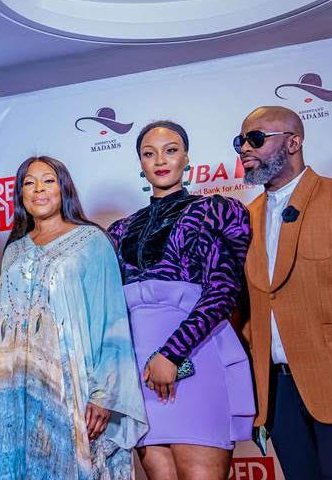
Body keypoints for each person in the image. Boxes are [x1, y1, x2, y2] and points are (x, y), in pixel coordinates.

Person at [108, 121, 255, 480]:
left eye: (171, 150)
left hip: (197, 358)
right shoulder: (119, 231)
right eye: (149, 153)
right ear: (140, 163)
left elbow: (223, 291)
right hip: (140, 373)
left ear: (187, 157)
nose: (160, 160)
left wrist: (171, 354)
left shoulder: (217, 211)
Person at [0, 156, 148, 480]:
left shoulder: (91, 242)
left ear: (63, 188)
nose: (39, 189)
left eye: (48, 180)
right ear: (20, 194)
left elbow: (111, 321)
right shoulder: (13, 251)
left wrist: (104, 395)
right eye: (29, 182)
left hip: (75, 389)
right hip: (19, 395)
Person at [237, 106, 332, 480]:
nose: (245, 149)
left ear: (294, 142)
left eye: (256, 138)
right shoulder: (245, 217)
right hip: (277, 393)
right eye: (240, 141)